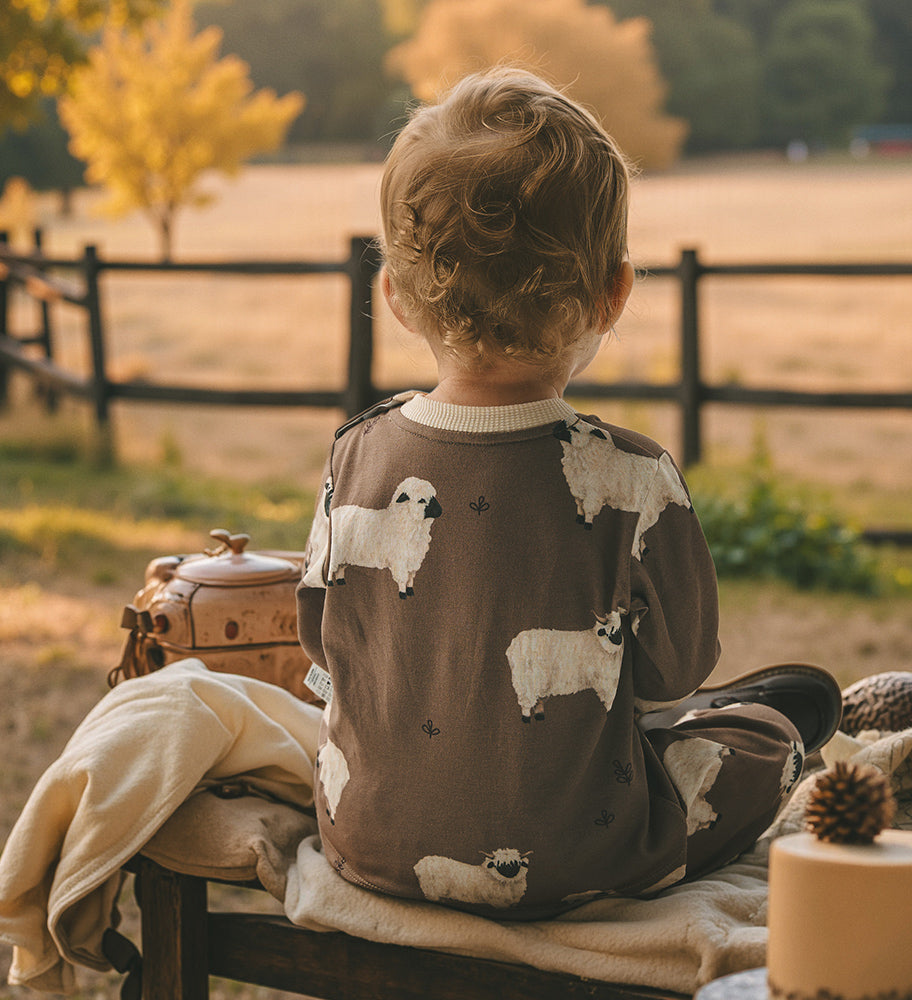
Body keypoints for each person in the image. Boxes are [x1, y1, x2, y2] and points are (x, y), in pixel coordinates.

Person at [296, 68, 840, 920]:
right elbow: (672, 676)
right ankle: (754, 723)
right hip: (582, 856)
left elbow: (325, 647)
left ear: (396, 299)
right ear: (614, 293)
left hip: (362, 841)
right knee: (761, 743)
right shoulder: (633, 478)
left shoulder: (355, 454)